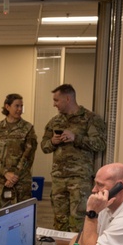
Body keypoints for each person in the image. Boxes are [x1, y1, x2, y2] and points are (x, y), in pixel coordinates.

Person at [40, 84, 106, 232]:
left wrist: (76, 138)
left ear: (68, 98)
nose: (54, 104)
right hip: (58, 179)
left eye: (56, 100)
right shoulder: (54, 121)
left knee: (79, 221)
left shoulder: (90, 119)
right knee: (59, 221)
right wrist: (52, 142)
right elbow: (44, 146)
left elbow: (100, 144)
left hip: (79, 180)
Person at [0, 93, 37, 209]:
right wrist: (5, 173)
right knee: (0, 217)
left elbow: (28, 156)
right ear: (7, 107)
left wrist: (14, 176)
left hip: (20, 182)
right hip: (0, 181)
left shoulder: (28, 128)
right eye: (17, 106)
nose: (20, 109)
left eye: (21, 106)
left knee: (21, 217)